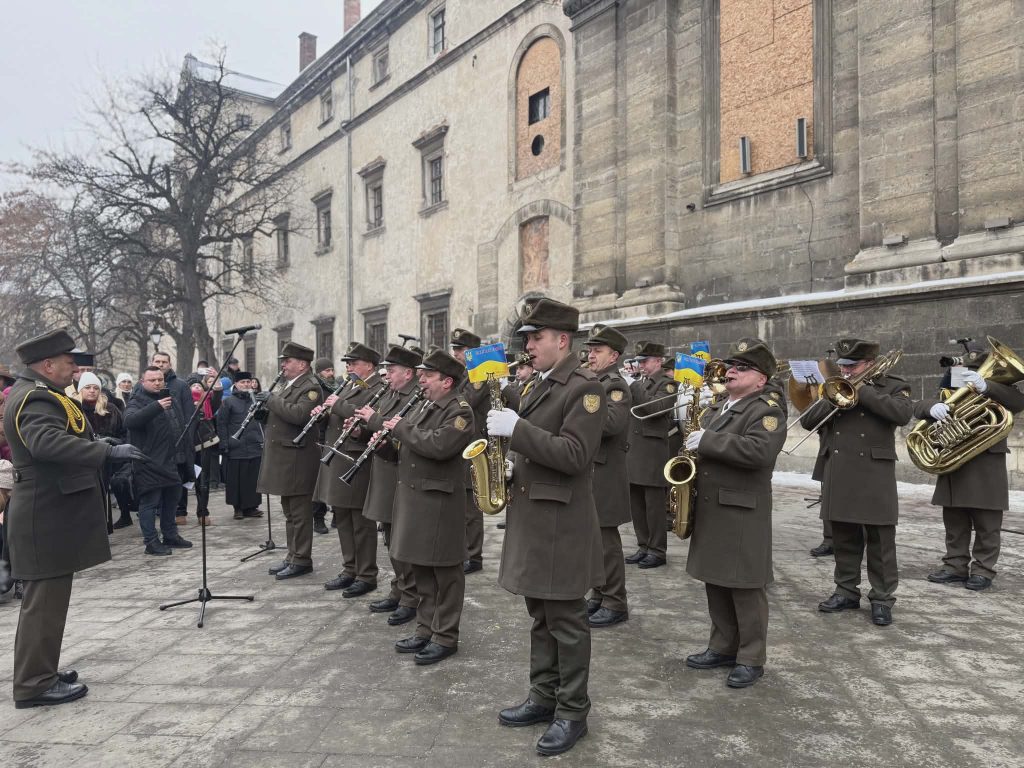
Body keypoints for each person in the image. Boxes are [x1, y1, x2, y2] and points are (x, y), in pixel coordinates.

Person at [487, 298, 605, 757]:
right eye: (527, 339)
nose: (529, 346)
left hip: (562, 523)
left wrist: (517, 430)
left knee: (567, 622)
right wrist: (518, 467)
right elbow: (544, 451)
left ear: (562, 340)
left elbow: (575, 455)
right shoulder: (542, 382)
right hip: (537, 516)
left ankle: (573, 712)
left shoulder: (584, 388)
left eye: (536, 338)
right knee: (541, 615)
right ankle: (543, 695)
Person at [3, 328, 145, 708]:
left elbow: (58, 435)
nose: (76, 368)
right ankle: (34, 684)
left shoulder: (43, 393)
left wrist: (97, 443)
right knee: (43, 603)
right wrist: (104, 454)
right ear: (47, 365)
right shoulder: (35, 398)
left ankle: (40, 669)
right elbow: (45, 443)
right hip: (43, 515)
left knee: (45, 602)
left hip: (47, 512)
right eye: (70, 362)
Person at [683, 338, 787, 689]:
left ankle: (751, 657)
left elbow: (760, 452)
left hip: (742, 508)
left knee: (745, 585)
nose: (731, 371)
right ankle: (722, 646)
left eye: (742, 368)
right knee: (716, 580)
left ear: (761, 379)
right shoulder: (717, 408)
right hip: (714, 505)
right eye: (730, 365)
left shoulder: (767, 410)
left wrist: (708, 441)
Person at [800, 338, 913, 626]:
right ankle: (846, 591)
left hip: (875, 472)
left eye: (853, 366)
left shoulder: (893, 386)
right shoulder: (834, 386)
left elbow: (901, 415)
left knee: (880, 540)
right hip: (840, 470)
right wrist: (831, 396)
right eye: (843, 365)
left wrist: (862, 391)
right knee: (844, 537)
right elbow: (808, 422)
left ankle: (882, 598)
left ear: (870, 364)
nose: (846, 370)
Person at [380, 349, 475, 665]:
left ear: (446, 381)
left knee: (445, 573)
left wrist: (400, 429)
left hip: (439, 502)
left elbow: (438, 445)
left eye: (427, 375)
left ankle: (445, 635)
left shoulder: (460, 411)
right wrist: (384, 445)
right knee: (420, 568)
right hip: (415, 498)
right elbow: (407, 447)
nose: (420, 380)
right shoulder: (425, 405)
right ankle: (425, 629)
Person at [915, 340, 1024, 591]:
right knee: (955, 520)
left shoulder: (1001, 388)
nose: (965, 373)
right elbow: (919, 406)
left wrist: (988, 386)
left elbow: (1019, 403)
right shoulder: (950, 386)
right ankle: (955, 566)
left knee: (987, 523)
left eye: (972, 369)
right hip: (953, 460)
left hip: (986, 461)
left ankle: (983, 571)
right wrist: (932, 407)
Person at [361, 345, 423, 626]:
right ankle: (399, 589)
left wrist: (372, 421)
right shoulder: (390, 392)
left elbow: (400, 429)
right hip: (384, 471)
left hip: (399, 474)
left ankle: (411, 597)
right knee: (389, 536)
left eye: (392, 370)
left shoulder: (416, 397)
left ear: (408, 373)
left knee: (401, 539)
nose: (387, 374)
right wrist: (362, 425)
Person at [314, 342, 383, 596]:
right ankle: (349, 568)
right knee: (342, 516)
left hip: (356, 460)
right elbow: (338, 416)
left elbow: (368, 417)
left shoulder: (378, 386)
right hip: (337, 457)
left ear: (369, 365)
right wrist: (322, 413)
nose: (349, 367)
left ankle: (366, 574)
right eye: (348, 363)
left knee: (360, 521)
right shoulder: (350, 385)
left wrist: (337, 404)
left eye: (354, 363)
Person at [582, 324, 633, 628]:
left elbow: (612, 423)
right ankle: (599, 594)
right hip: (591, 468)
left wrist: (579, 412)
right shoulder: (594, 381)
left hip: (605, 471)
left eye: (597, 351)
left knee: (606, 541)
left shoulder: (615, 385)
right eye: (590, 350)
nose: (590, 355)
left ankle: (615, 601)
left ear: (613, 355)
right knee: (592, 539)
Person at [260, 342, 323, 580]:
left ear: (302, 364)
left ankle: (302, 559)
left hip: (299, 459)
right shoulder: (291, 384)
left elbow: (299, 415)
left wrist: (271, 400)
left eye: (287, 361)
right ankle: (292, 555)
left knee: (299, 513)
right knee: (289, 512)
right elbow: (282, 413)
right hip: (287, 458)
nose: (283, 365)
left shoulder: (311, 387)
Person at [124, 367, 194, 555]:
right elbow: (129, 421)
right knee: (150, 503)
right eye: (152, 380)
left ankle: (170, 535)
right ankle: (151, 542)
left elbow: (178, 425)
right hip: (148, 461)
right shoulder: (136, 401)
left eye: (160, 379)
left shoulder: (171, 398)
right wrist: (156, 407)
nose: (157, 383)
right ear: (142, 382)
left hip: (170, 460)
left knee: (173, 499)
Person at [626, 341, 676, 569]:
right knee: (636, 503)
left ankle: (657, 550)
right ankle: (643, 545)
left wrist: (633, 386)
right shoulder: (642, 382)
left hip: (652, 453)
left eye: (645, 361)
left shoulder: (667, 384)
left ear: (658, 361)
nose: (641, 365)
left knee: (654, 505)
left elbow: (656, 408)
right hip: (634, 449)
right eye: (640, 361)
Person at [449, 328, 490, 575]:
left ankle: (474, 555)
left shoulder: (480, 373)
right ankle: (463, 549)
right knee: (460, 502)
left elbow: (465, 402)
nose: (456, 353)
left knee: (471, 505)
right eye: (454, 349)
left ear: (473, 352)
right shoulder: (459, 374)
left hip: (475, 443)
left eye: (461, 350)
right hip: (461, 443)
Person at [75, 372, 135, 529]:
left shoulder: (111, 409)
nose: (92, 390)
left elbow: (124, 433)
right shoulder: (74, 410)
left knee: (110, 488)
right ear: (81, 389)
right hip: (86, 457)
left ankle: (116, 519)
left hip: (111, 456)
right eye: (87, 387)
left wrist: (114, 444)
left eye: (95, 387)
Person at [150, 351, 195, 525]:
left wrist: (187, 438)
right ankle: (160, 511)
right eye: (157, 361)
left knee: (179, 477)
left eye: (164, 362)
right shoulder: (144, 385)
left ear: (169, 364)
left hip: (179, 440)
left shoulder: (180, 385)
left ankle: (180, 510)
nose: (161, 364)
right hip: (157, 443)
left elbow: (189, 413)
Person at [216, 372, 264, 520]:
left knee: (252, 479)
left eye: (248, 382)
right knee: (237, 480)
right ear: (235, 384)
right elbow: (222, 424)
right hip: (236, 446)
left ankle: (252, 507)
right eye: (242, 382)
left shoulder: (256, 400)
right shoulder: (228, 401)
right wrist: (225, 443)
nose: (246, 385)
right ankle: (238, 508)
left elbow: (263, 421)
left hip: (255, 445)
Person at [187, 372, 223, 525]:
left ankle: (203, 511)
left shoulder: (209, 402)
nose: (196, 387)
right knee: (186, 479)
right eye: (193, 385)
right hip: (187, 446)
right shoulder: (184, 403)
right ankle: (180, 511)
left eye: (199, 386)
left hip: (204, 445)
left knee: (203, 479)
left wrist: (217, 381)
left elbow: (218, 395)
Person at [311, 357, 337, 535]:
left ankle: (337, 514)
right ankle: (318, 518)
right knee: (318, 482)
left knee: (335, 479)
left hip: (335, 438)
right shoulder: (315, 389)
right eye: (327, 371)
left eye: (332, 370)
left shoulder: (336, 389)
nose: (331, 374)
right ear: (319, 372)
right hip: (319, 438)